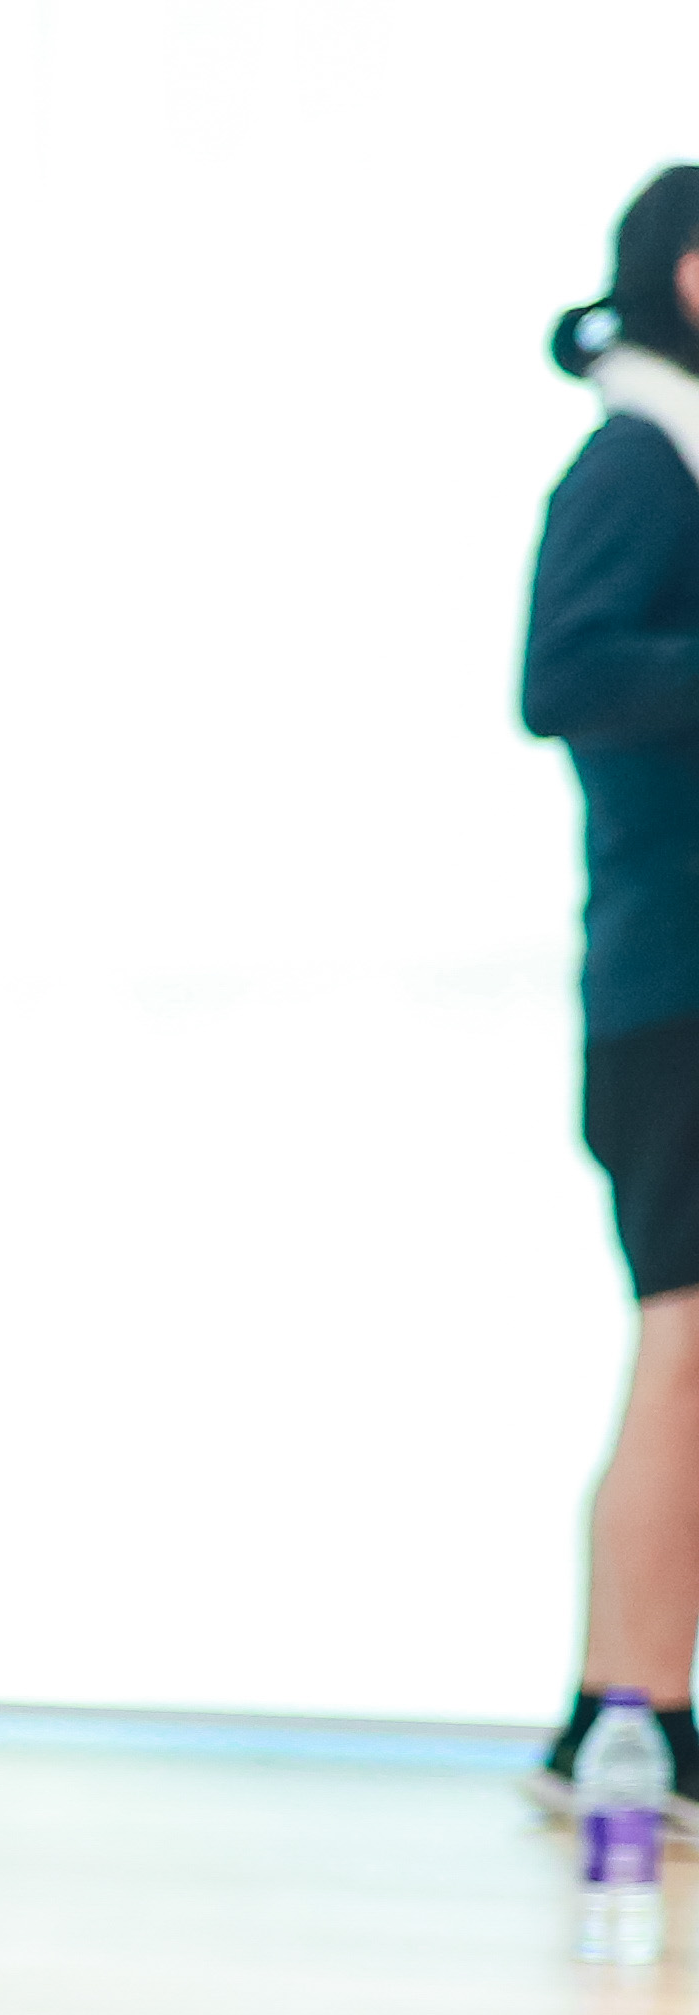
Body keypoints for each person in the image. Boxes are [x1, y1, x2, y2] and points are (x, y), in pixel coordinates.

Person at [526, 165, 699, 1823]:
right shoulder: (640, 459)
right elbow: (562, 671)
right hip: (673, 992)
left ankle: (636, 1712)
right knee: (688, 1343)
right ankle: (620, 1722)